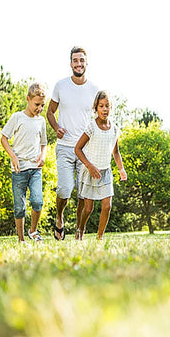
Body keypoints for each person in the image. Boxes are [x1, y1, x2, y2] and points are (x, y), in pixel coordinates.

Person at [47, 46, 99, 240]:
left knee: (83, 195)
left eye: (82, 60)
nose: (79, 64)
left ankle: (79, 231)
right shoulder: (60, 86)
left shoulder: (95, 90)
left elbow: (98, 120)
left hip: (85, 150)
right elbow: (50, 112)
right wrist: (56, 127)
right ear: (71, 64)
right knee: (64, 189)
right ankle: (59, 217)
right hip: (65, 147)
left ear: (86, 63)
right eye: (75, 60)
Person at [74, 90, 127, 240]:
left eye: (107, 106)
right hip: (91, 172)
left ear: (111, 108)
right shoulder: (91, 127)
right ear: (96, 108)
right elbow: (77, 149)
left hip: (106, 172)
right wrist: (89, 166)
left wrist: (121, 169)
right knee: (88, 208)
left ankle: (99, 237)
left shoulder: (115, 129)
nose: (104, 109)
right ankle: (81, 228)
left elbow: (115, 152)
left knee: (107, 206)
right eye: (101, 106)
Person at [1, 83, 47, 242]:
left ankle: (33, 231)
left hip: (35, 168)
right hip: (19, 169)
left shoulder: (41, 121)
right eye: (37, 104)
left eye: (42, 105)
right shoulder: (17, 117)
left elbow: (44, 143)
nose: (39, 108)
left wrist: (43, 155)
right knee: (20, 207)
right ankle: (21, 239)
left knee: (37, 201)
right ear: (28, 99)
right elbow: (4, 138)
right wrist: (13, 156)